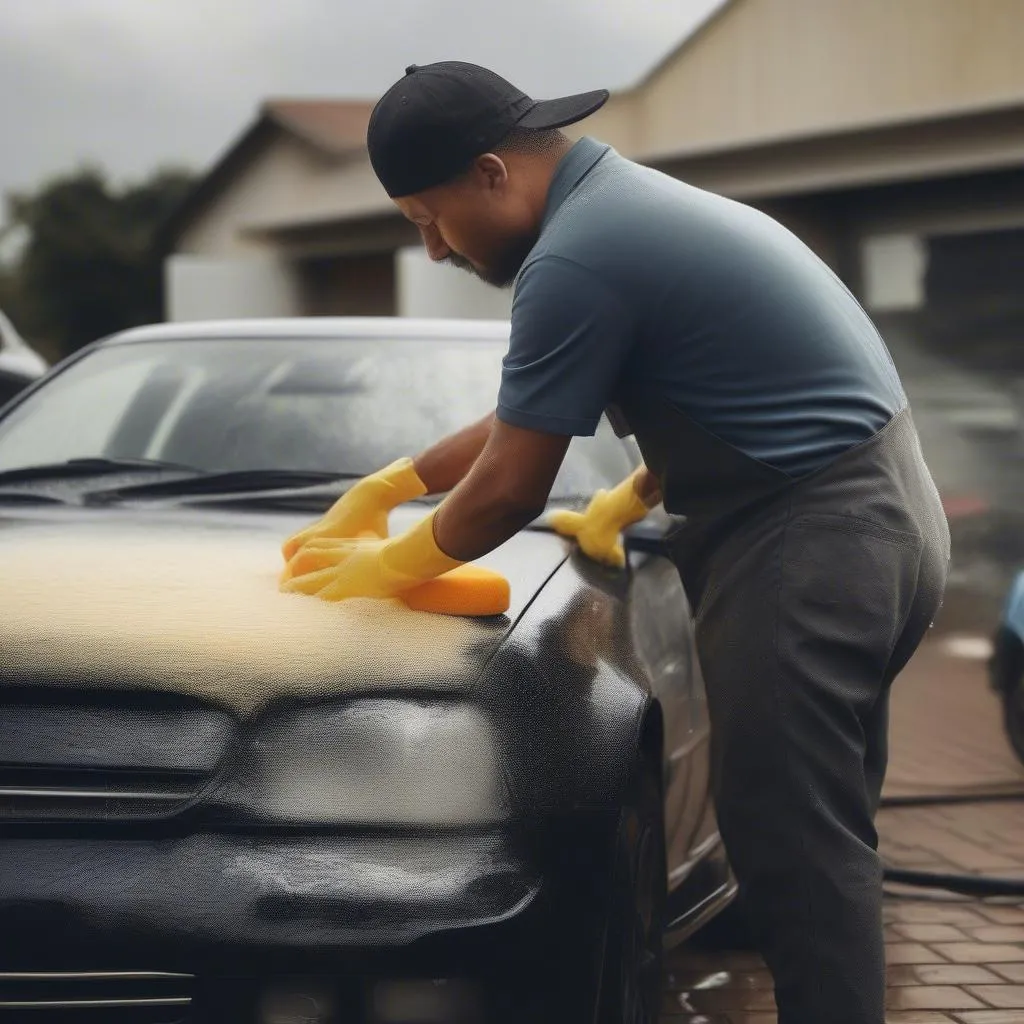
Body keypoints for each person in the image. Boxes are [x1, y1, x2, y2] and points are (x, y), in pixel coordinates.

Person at [280, 61, 950, 1024]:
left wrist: (387, 566)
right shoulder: (621, 211)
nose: (430, 250)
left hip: (813, 542)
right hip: (878, 518)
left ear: (491, 173)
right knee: (819, 837)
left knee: (794, 851)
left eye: (427, 218)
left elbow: (511, 486)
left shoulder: (579, 254)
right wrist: (395, 484)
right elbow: (554, 408)